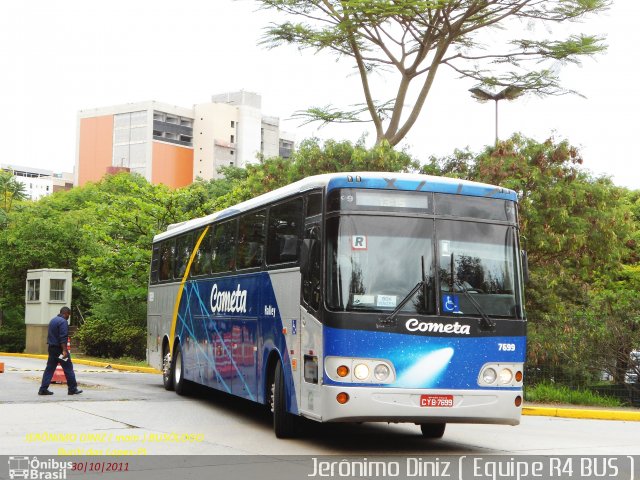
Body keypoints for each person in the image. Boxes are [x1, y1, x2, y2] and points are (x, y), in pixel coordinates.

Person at [38, 306, 83, 396]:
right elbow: (63, 337)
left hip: (52, 349)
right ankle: (72, 389)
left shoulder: (53, 320)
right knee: (68, 368)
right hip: (60, 350)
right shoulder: (63, 322)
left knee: (49, 369)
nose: (68, 317)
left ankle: (43, 389)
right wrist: (64, 351)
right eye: (68, 315)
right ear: (65, 313)